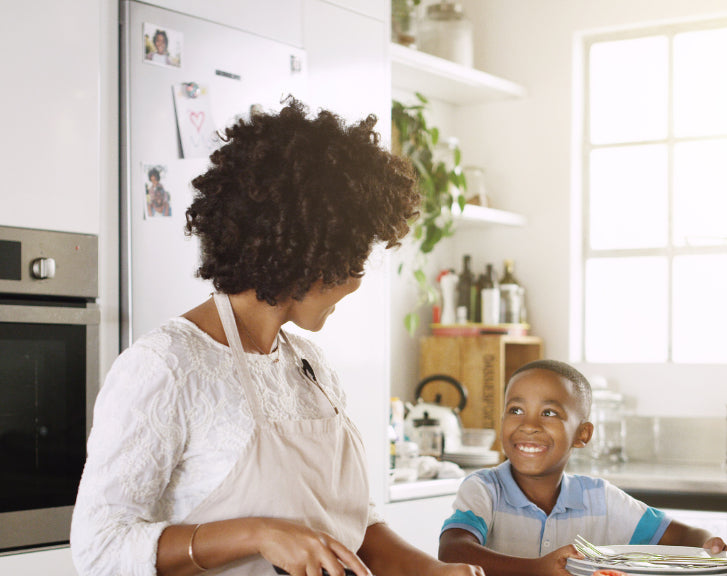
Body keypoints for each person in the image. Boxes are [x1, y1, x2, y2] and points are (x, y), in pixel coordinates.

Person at [70, 98, 484, 576]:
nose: (356, 281)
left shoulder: (308, 366)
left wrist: (432, 571)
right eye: (354, 258)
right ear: (311, 253)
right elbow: (100, 548)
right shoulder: (166, 366)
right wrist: (258, 534)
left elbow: (351, 525)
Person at [438, 359, 727, 576]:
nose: (529, 425)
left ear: (582, 434)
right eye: (516, 410)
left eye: (549, 413)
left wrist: (708, 544)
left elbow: (681, 536)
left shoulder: (600, 498)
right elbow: (452, 550)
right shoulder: (484, 488)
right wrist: (537, 569)